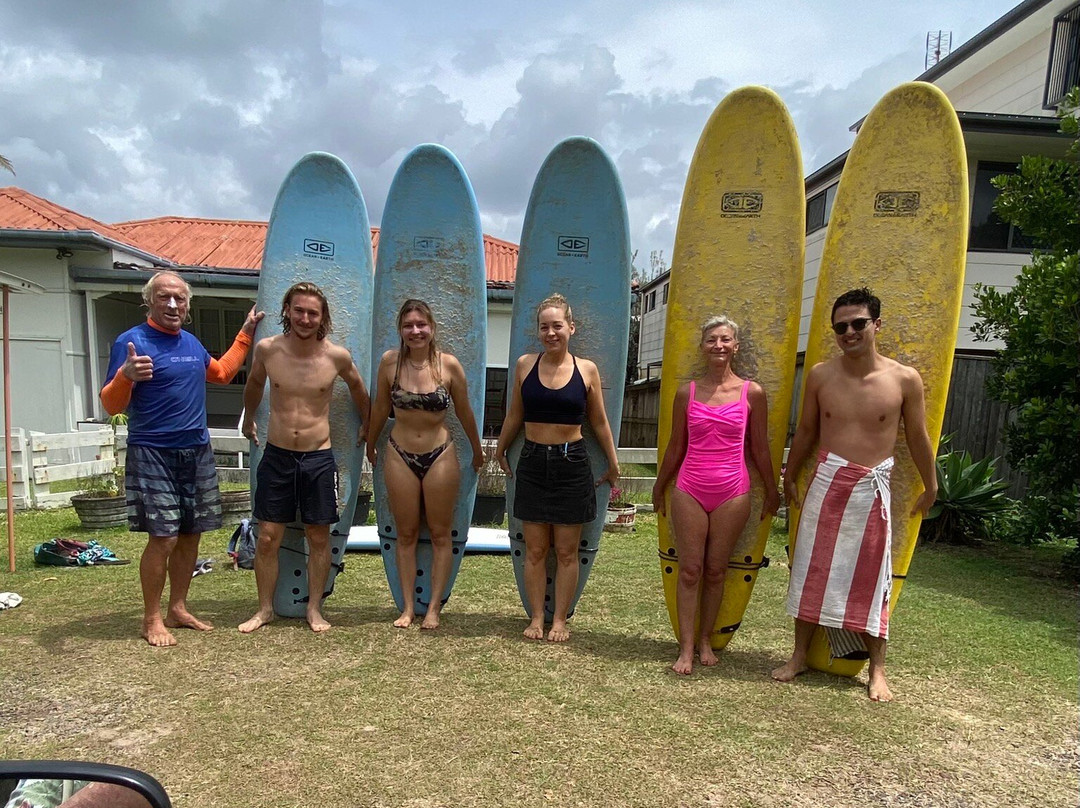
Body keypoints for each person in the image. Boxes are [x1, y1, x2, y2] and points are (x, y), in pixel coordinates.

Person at [771, 288, 937, 702]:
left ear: (876, 324)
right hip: (826, 482)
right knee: (809, 569)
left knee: (871, 577)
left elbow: (916, 437)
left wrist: (931, 484)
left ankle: (878, 670)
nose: (850, 332)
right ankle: (799, 656)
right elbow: (806, 430)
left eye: (858, 323)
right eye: (841, 326)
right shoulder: (821, 375)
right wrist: (790, 476)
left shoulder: (904, 379)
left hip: (871, 489)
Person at [101, 271, 263, 647]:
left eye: (180, 299)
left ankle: (178, 607)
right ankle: (151, 618)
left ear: (188, 305)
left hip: (197, 451)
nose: (173, 304)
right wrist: (125, 375)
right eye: (164, 298)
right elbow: (111, 405)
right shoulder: (131, 342)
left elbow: (222, 374)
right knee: (164, 537)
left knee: (191, 534)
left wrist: (245, 333)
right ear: (150, 302)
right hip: (152, 451)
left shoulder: (189, 342)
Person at [238, 282, 370, 634]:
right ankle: (265, 609)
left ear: (322, 316)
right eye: (299, 311)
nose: (305, 319)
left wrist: (367, 424)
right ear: (288, 311)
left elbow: (358, 388)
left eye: (313, 313)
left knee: (319, 536)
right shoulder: (268, 349)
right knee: (267, 537)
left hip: (317, 458)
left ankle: (314, 608)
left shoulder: (336, 356)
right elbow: (253, 384)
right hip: (277, 456)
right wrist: (249, 417)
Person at [652, 316, 780, 675]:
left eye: (725, 340)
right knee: (690, 569)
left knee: (715, 570)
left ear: (735, 346)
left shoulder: (751, 392)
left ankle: (706, 639)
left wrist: (772, 491)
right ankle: (687, 647)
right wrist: (660, 484)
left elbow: (760, 449)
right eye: (712, 340)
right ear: (703, 346)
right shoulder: (686, 392)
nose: (719, 346)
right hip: (690, 486)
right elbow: (676, 446)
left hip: (733, 490)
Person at [495, 293, 619, 642]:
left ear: (571, 328)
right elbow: (515, 414)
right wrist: (501, 449)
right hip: (532, 461)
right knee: (534, 550)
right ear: (538, 331)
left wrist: (612, 463)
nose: (551, 333)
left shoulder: (586, 369)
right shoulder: (524, 365)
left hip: (572, 463)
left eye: (557, 326)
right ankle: (536, 618)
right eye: (544, 327)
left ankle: (560, 620)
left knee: (567, 551)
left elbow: (600, 422)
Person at [366, 299, 483, 629]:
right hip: (399, 453)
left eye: (421, 324)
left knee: (441, 533)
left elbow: (465, 412)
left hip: (441, 454)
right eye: (408, 325)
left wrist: (477, 450)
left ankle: (433, 607)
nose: (415, 331)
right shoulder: (390, 363)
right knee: (405, 534)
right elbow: (378, 410)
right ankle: (406, 607)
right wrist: (370, 443)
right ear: (400, 331)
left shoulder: (449, 366)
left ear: (432, 328)